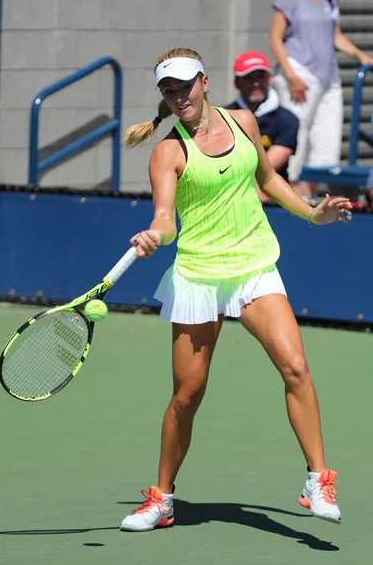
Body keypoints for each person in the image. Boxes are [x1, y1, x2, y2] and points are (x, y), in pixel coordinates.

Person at [120, 47, 351, 532]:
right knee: (188, 394)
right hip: (200, 276)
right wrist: (153, 236)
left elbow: (269, 178)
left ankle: (318, 479)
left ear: (204, 81)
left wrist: (313, 213)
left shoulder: (244, 121)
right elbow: (165, 219)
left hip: (253, 268)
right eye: (169, 90)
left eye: (185, 86)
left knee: (296, 367)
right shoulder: (168, 151)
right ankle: (162, 499)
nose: (179, 96)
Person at [270, 0, 373, 199]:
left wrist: (359, 54)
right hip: (299, 72)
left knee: (329, 136)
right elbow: (275, 38)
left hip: (329, 76)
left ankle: (312, 194)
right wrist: (291, 76)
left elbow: (335, 35)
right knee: (297, 132)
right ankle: (293, 192)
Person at [225, 51, 299, 201]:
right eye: (248, 78)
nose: (256, 83)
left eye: (260, 76)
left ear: (269, 79)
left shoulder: (287, 119)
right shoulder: (224, 116)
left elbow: (265, 171)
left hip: (271, 196)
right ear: (236, 83)